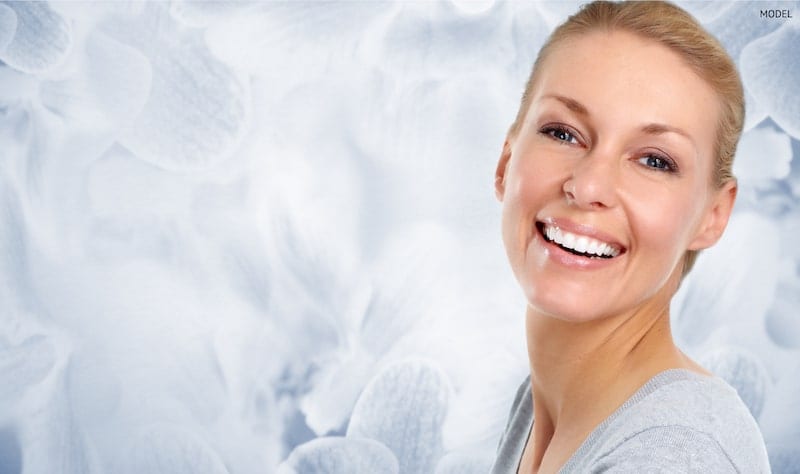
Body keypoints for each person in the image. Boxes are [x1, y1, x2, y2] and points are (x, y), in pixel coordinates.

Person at [490, 1, 771, 472]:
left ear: (713, 215)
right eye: (563, 133)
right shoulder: (548, 403)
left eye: (655, 161)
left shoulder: (675, 454)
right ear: (505, 162)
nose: (588, 186)